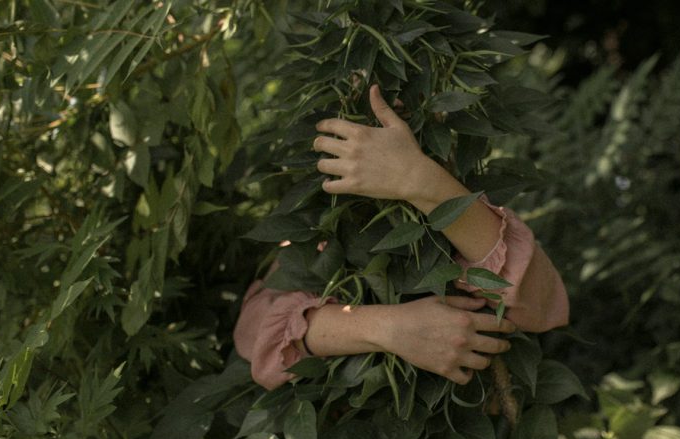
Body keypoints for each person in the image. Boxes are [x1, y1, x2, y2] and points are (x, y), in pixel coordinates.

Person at [234, 85, 569, 390]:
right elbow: (254, 326)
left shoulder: (458, 193)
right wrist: (389, 329)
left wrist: (418, 178)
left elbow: (540, 302)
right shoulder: (327, 222)